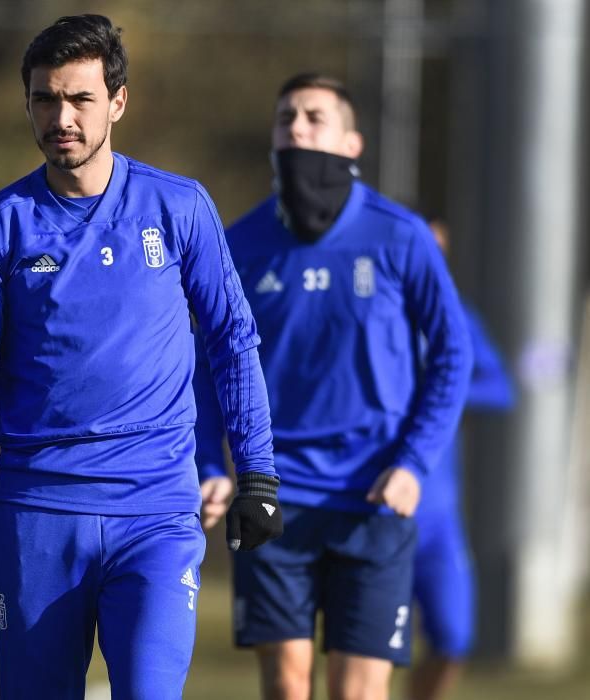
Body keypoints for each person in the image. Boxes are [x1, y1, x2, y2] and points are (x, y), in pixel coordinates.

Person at [0, 14, 282, 700]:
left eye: (80, 98)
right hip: (37, 516)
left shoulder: (179, 208)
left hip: (156, 513)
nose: (63, 117)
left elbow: (233, 342)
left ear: (118, 101)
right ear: (27, 104)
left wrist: (257, 474)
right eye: (46, 99)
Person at [193, 73, 473, 700]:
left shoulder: (400, 236)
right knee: (288, 687)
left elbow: (453, 356)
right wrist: (212, 463)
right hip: (274, 498)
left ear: (352, 143)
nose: (297, 126)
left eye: (315, 117)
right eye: (285, 116)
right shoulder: (238, 245)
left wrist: (414, 463)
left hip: (374, 499)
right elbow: (207, 366)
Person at [407, 218, 515, 700]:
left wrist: (441, 390)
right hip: (375, 506)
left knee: (453, 639)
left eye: (440, 248)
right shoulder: (366, 308)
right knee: (369, 647)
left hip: (438, 513)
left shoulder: (456, 316)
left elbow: (500, 389)